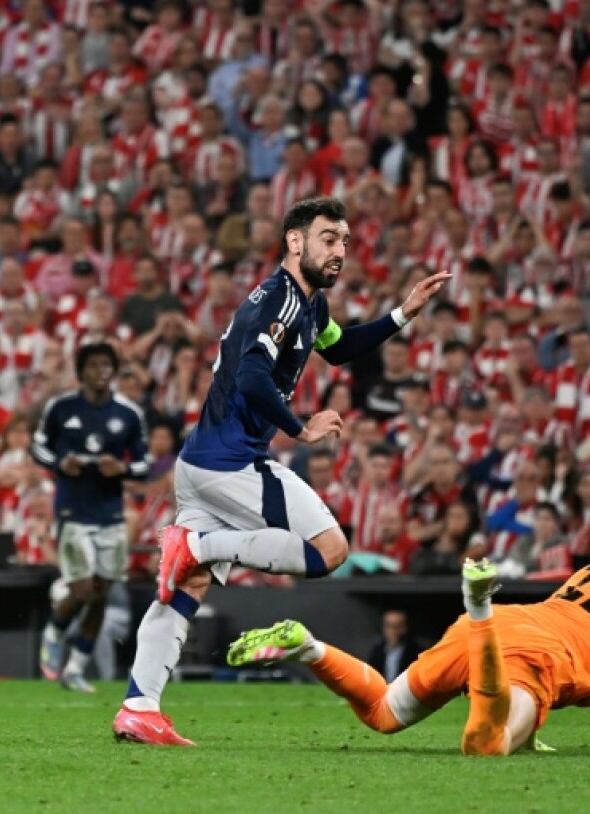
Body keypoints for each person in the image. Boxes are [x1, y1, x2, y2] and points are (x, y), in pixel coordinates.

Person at [113, 197, 449, 745]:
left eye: (344, 241)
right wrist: (300, 428)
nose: (339, 251)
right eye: (327, 239)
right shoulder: (280, 301)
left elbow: (338, 350)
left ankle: (138, 706)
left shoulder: (310, 305)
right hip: (232, 462)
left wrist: (402, 313)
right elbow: (251, 377)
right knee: (329, 551)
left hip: (199, 463)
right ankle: (198, 546)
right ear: (295, 242)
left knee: (186, 586)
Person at [228, 518, 590, 754]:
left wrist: (529, 728)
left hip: (510, 629)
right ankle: (479, 606)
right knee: (485, 747)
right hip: (530, 657)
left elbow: (569, 621)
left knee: (383, 713)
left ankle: (309, 646)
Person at [31, 342, 150, 693]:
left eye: (107, 366)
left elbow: (143, 462)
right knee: (82, 589)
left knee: (101, 594)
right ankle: (54, 632)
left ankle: (76, 668)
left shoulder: (128, 413)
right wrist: (60, 464)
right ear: (81, 371)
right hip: (73, 510)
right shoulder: (61, 407)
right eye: (94, 365)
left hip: (110, 513)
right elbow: (38, 446)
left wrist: (122, 468)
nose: (101, 372)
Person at [367, 610, 422, 683]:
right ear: (383, 628)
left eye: (398, 626)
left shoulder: (416, 653)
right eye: (389, 626)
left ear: (405, 628)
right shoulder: (377, 652)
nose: (393, 630)